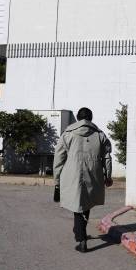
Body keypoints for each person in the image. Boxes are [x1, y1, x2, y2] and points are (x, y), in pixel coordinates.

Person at [53, 107, 113, 252]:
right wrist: (108, 176)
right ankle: (79, 232)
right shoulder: (100, 135)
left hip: (71, 175)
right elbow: (107, 157)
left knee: (77, 205)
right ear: (91, 118)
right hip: (93, 174)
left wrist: (57, 180)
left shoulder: (68, 134)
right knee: (85, 204)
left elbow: (59, 158)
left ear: (78, 118)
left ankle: (81, 239)